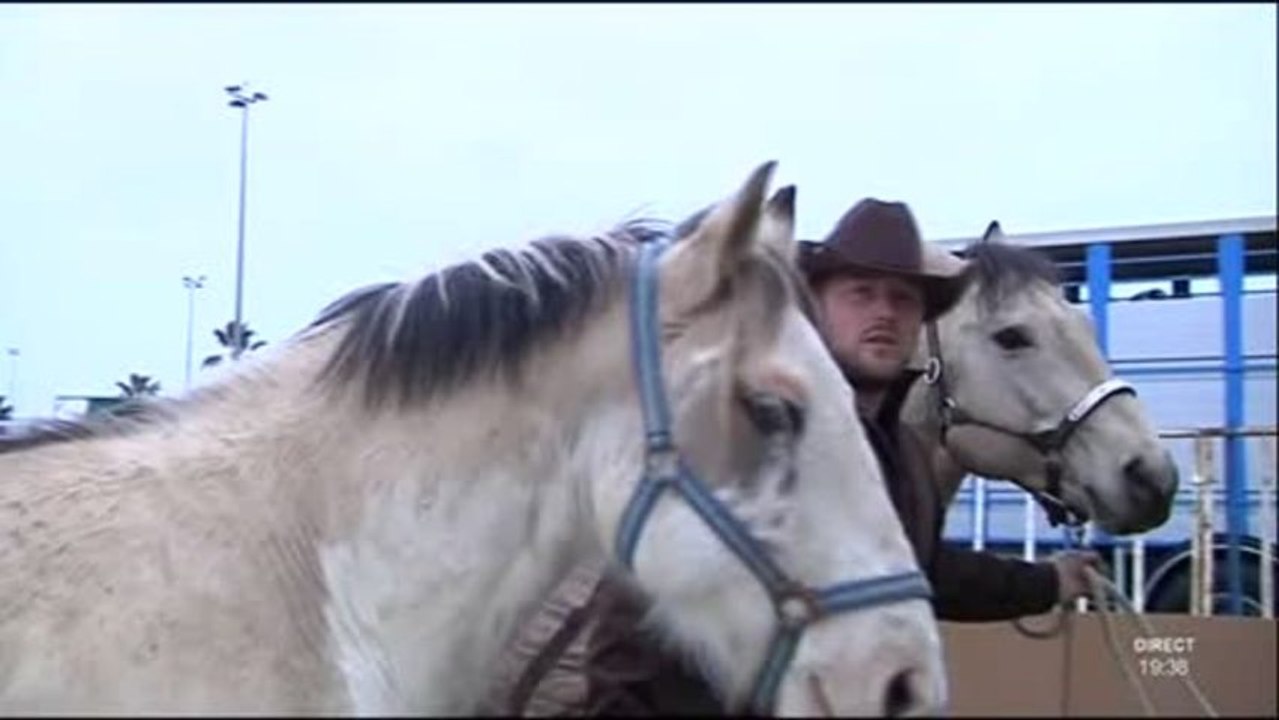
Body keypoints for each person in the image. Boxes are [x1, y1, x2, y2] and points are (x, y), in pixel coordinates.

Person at [486, 198, 1102, 716]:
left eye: (903, 299)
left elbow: (922, 567)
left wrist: (1047, 581)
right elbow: (632, 635)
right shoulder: (747, 441)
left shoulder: (907, 463)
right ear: (816, 305)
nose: (883, 312)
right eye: (862, 293)